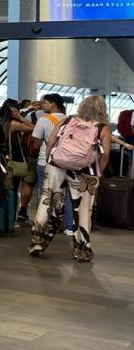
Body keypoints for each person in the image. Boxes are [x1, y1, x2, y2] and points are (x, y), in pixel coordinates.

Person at [29, 94, 111, 262]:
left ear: (82, 107)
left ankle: (38, 239)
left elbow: (51, 141)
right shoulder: (102, 128)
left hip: (57, 165)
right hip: (85, 171)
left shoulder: (68, 121)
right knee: (82, 210)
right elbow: (106, 155)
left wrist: (50, 162)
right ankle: (81, 250)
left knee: (48, 200)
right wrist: (98, 173)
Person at [30, 94, 67, 225]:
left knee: (45, 192)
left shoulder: (43, 120)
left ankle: (43, 223)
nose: (42, 105)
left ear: (53, 104)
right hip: (65, 162)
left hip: (45, 161)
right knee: (64, 193)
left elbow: (37, 143)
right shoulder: (69, 120)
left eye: (45, 102)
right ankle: (66, 224)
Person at [0, 99, 35, 224]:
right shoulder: (13, 123)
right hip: (13, 161)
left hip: (1, 159)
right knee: (12, 190)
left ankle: (2, 219)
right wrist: (20, 117)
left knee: (3, 189)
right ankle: (10, 220)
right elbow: (33, 128)